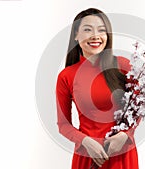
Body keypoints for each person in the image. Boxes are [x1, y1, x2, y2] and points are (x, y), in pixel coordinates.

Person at [56, 8, 139, 169]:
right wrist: (86, 142)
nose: (95, 36)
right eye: (87, 29)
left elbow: (139, 109)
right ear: (75, 35)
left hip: (122, 154)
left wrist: (125, 135)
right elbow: (63, 125)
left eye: (101, 30)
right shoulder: (66, 76)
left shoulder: (124, 66)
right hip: (88, 155)